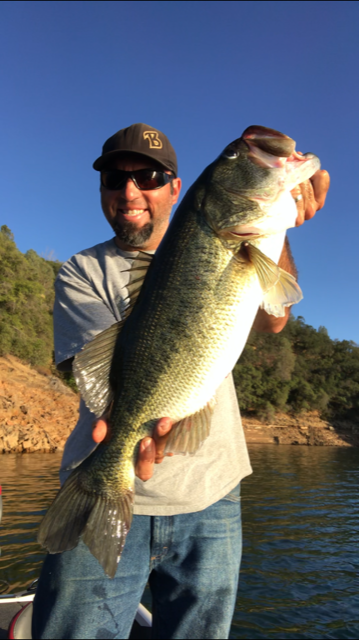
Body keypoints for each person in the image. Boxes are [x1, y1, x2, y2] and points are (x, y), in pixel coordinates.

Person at [32, 123, 330, 640]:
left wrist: (277, 224)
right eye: (114, 179)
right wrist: (137, 432)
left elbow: (274, 315)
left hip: (213, 497)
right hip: (112, 477)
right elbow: (105, 378)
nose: (130, 192)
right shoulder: (82, 271)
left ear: (175, 187)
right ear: (102, 190)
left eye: (147, 176)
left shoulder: (226, 240)